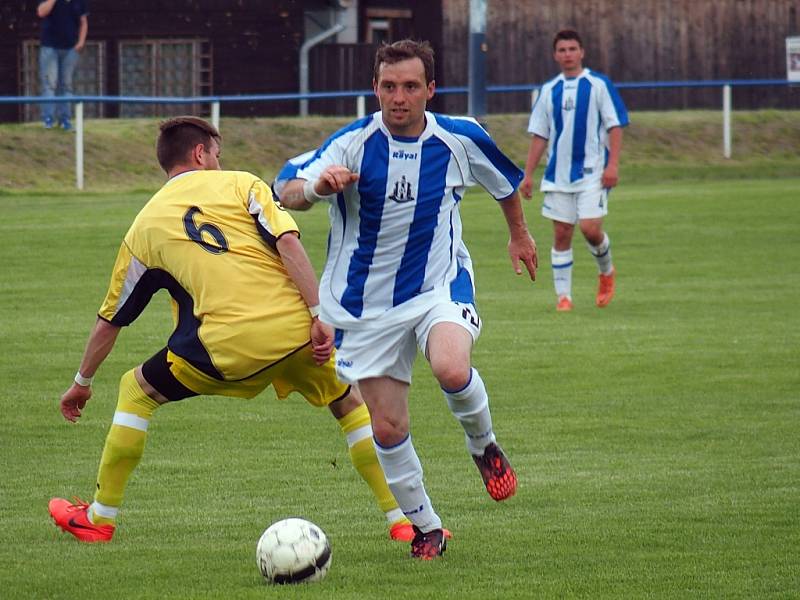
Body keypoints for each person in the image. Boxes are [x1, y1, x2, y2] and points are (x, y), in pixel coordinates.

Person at [48, 116, 420, 544]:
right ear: (200, 154)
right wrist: (321, 315)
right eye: (217, 156)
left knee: (135, 390)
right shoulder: (245, 185)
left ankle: (99, 519)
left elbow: (110, 320)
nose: (219, 164)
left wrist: (82, 383)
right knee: (348, 404)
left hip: (225, 351)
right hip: (299, 333)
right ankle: (402, 521)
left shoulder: (143, 229)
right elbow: (289, 244)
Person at [275, 39, 538, 560]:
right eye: (389, 87)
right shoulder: (352, 143)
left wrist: (519, 235)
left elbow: (506, 183)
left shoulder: (460, 138)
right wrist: (320, 187)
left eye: (411, 86)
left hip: (439, 284)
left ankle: (483, 446)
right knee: (388, 424)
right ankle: (428, 529)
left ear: (430, 90)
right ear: (375, 89)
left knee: (449, 366)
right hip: (363, 307)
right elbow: (287, 187)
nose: (399, 97)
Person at [520, 29, 629, 311]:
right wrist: (528, 174)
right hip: (558, 175)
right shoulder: (548, 91)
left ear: (581, 52)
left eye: (572, 49)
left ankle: (606, 272)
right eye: (562, 50)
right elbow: (540, 135)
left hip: (593, 172)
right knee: (561, 234)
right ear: (555, 55)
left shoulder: (597, 85)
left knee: (590, 229)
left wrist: (613, 165)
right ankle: (563, 297)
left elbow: (615, 125)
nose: (567, 54)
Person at [36, 0, 88, 130]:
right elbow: (41, 12)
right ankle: (48, 118)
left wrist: (81, 42)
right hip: (50, 46)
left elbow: (83, 22)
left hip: (70, 48)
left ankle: (65, 119)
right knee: (50, 84)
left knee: (66, 85)